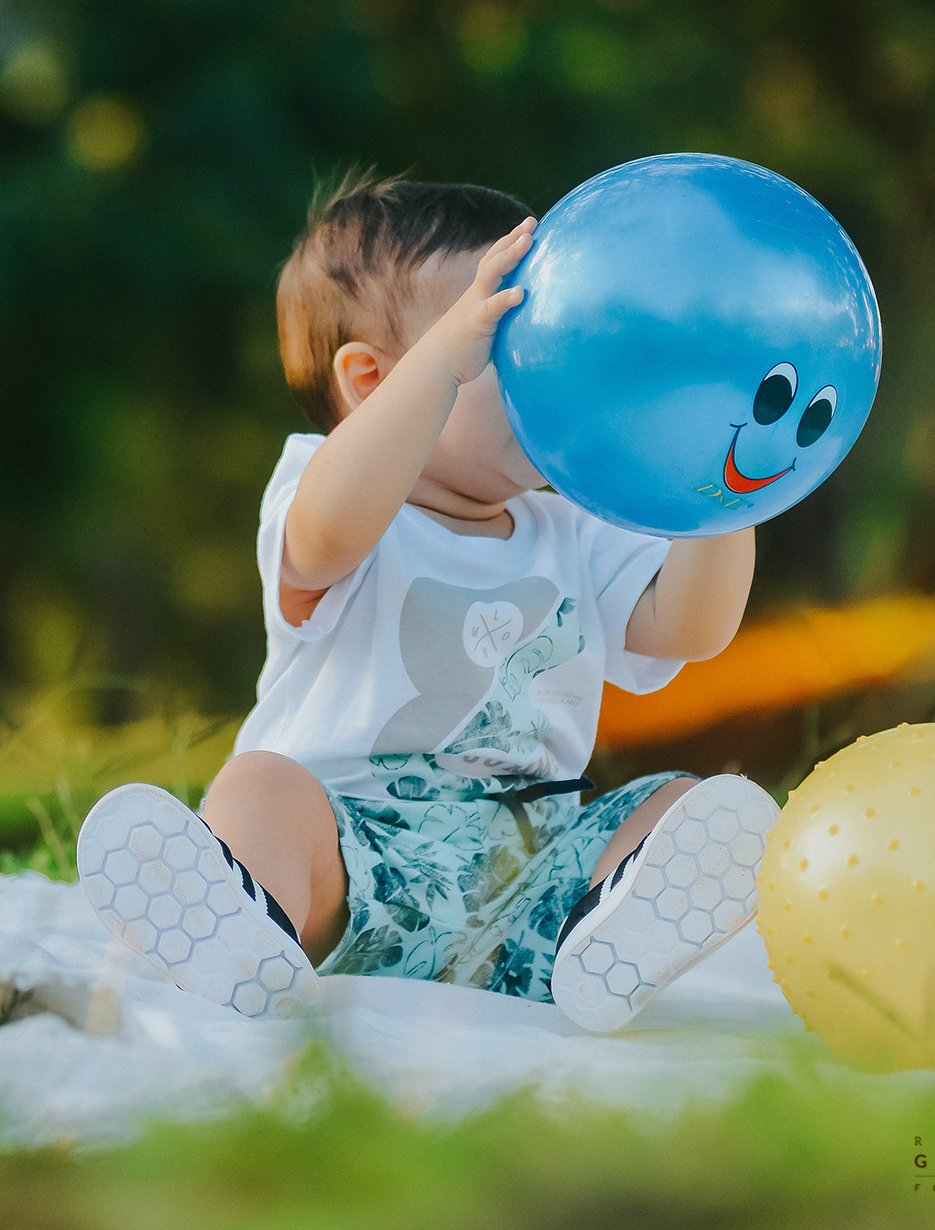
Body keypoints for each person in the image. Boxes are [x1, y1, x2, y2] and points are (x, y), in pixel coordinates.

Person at [77, 172, 779, 1032]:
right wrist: (447, 362)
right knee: (259, 786)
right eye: (504, 348)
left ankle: (599, 944)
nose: (547, 377)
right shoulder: (328, 494)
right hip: (350, 862)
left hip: (529, 872)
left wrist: (719, 492)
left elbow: (695, 629)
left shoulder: (574, 527)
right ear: (373, 382)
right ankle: (246, 931)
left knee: (682, 804)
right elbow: (327, 533)